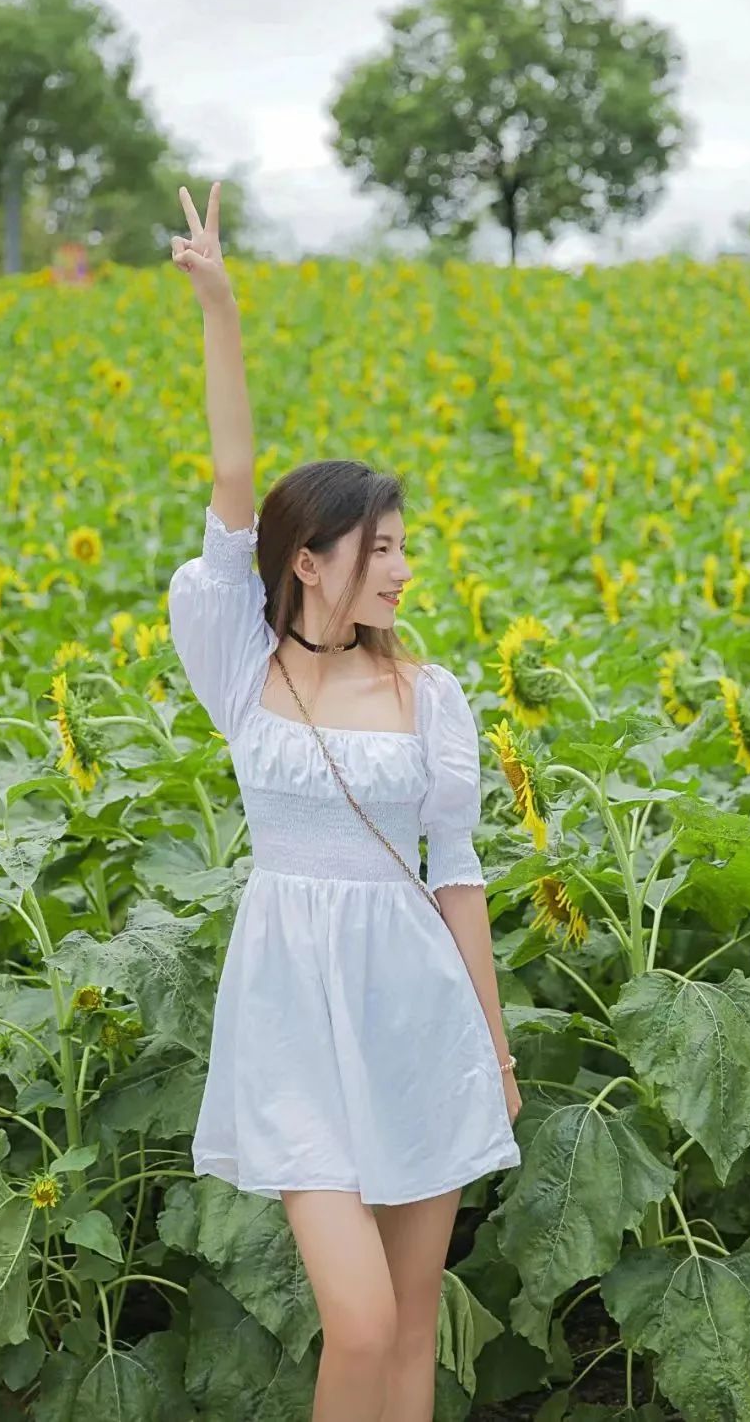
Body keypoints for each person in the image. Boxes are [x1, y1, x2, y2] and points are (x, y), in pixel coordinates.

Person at [166, 183, 522, 1422]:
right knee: (358, 1321)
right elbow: (229, 475)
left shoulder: (435, 696)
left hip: (419, 1013)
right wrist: (220, 304)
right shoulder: (240, 668)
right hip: (291, 1012)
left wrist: (494, 1039)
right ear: (307, 561)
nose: (403, 567)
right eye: (378, 548)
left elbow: (458, 879)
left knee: (414, 1331)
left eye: (404, 546)